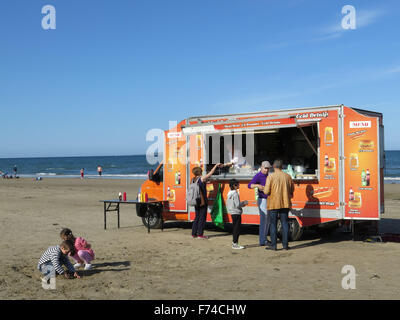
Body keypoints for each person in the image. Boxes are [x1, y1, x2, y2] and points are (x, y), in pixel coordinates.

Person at [264, 159, 295, 251]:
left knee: (273, 224)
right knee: (285, 223)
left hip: (273, 203)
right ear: (282, 167)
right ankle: (285, 245)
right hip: (285, 203)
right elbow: (292, 190)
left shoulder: (271, 176)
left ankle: (274, 246)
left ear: (273, 166)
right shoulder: (288, 176)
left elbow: (266, 191)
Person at [191, 163, 223, 239]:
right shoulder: (201, 178)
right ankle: (200, 234)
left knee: (197, 217)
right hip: (202, 201)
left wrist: (205, 183)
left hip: (196, 200)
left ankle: (194, 233)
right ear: (200, 172)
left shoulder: (193, 179)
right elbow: (211, 173)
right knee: (202, 217)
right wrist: (216, 166)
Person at [248, 161, 272, 246]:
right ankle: (262, 240)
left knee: (267, 221)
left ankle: (264, 239)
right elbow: (249, 185)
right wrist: (257, 186)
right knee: (264, 221)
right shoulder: (258, 175)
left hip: (269, 199)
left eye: (268, 168)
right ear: (261, 167)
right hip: (262, 200)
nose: (267, 170)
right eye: (265, 168)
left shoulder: (269, 175)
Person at [227, 179, 248, 249]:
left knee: (235, 228)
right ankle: (235, 243)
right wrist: (244, 203)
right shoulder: (235, 193)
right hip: (236, 212)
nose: (239, 185)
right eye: (238, 184)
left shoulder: (229, 193)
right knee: (237, 228)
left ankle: (234, 243)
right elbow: (238, 204)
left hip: (232, 212)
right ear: (234, 185)